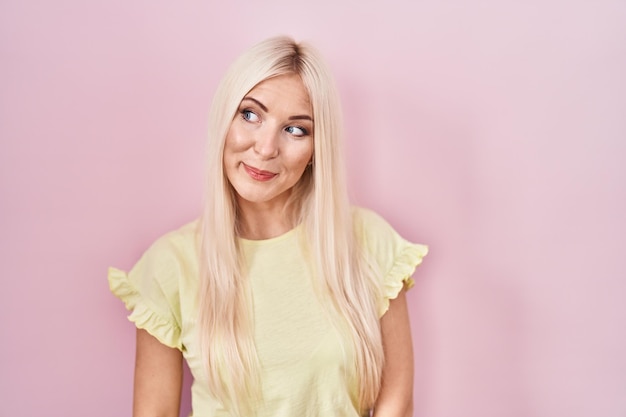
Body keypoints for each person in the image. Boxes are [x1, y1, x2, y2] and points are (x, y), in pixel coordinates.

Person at [108, 35, 428, 417]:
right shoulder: (170, 265)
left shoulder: (367, 241)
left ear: (315, 150)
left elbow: (397, 400)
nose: (265, 148)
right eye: (250, 115)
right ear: (223, 120)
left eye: (296, 129)